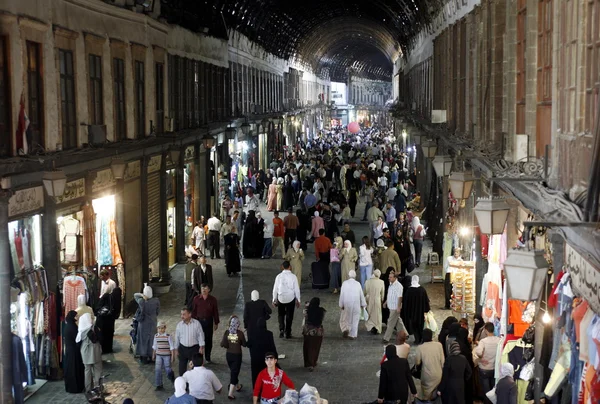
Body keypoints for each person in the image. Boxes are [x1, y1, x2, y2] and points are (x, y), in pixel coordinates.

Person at [190, 284, 220, 363]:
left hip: (208, 321)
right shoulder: (196, 299)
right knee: (198, 339)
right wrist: (192, 321)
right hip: (198, 322)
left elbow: (215, 312)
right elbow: (194, 311)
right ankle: (199, 358)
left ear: (209, 290)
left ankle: (208, 356)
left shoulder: (213, 300)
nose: (204, 290)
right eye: (202, 288)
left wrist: (216, 322)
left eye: (206, 288)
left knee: (208, 339)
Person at [272, 260, 301, 338]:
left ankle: (281, 329)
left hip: (281, 299)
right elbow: (296, 289)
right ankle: (288, 332)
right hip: (290, 298)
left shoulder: (278, 276)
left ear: (282, 267)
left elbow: (275, 289)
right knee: (289, 316)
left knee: (281, 315)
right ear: (290, 267)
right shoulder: (293, 277)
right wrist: (298, 300)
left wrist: (274, 299)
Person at [220, 315, 246, 399]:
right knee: (234, 373)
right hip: (237, 356)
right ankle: (230, 393)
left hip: (229, 356)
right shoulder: (240, 333)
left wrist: (230, 341)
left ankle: (237, 386)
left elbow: (223, 344)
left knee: (234, 371)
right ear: (238, 324)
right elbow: (244, 344)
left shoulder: (227, 332)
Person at [247, 318, 278, 389]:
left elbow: (248, 344)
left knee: (256, 376)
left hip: (255, 359)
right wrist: (275, 357)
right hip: (266, 359)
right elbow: (272, 346)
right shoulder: (269, 334)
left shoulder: (252, 333)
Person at [474, 322, 502, 400]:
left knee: (486, 390)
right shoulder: (499, 340)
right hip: (495, 368)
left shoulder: (483, 341)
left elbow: (479, 352)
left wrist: (481, 358)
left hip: (484, 368)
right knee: (493, 388)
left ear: (486, 330)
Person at [415, 329, 445, 401]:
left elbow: (417, 363)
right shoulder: (439, 345)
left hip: (426, 376)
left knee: (426, 396)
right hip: (438, 375)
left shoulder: (420, 348)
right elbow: (443, 361)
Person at [175, 307, 205, 377]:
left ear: (189, 314)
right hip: (182, 349)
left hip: (194, 349)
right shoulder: (179, 325)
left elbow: (200, 335)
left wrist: (201, 347)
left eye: (184, 314)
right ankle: (183, 385)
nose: (182, 316)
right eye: (181, 314)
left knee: (195, 369)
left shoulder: (197, 324)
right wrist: (176, 349)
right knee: (181, 370)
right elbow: (177, 338)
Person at [77, 313, 103, 394]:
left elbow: (78, 342)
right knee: (98, 370)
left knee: (87, 371)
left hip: (85, 352)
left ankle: (88, 389)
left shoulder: (81, 330)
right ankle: (99, 388)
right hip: (95, 351)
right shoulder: (94, 328)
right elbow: (101, 338)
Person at [134, 284, 161, 364]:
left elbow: (135, 295)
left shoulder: (142, 301)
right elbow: (157, 312)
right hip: (153, 322)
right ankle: (152, 355)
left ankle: (143, 357)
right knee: (152, 339)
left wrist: (142, 295)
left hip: (143, 323)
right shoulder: (156, 301)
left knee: (143, 339)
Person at [401, 275, 430, 344]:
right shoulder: (422, 290)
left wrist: (406, 312)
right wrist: (426, 310)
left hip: (412, 313)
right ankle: (421, 338)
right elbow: (426, 301)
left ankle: (417, 339)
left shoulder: (409, 290)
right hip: (420, 312)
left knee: (414, 326)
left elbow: (405, 303)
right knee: (420, 325)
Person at [339, 270, 367, 339]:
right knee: (355, 319)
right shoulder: (358, 284)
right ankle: (353, 334)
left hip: (347, 304)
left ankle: (346, 329)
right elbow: (361, 295)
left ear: (348, 275)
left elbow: (342, 295)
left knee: (346, 318)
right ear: (355, 276)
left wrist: (341, 304)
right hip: (356, 304)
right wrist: (363, 304)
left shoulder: (344, 283)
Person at [97, 270, 120, 354]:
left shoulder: (112, 283)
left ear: (106, 275)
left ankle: (108, 347)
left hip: (108, 307)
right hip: (103, 305)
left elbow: (113, 297)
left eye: (101, 276)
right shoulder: (103, 282)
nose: (100, 278)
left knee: (109, 329)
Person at [63, 310, 85, 393]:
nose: (77, 318)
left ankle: (72, 387)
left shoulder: (68, 326)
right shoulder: (72, 327)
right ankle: (75, 387)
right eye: (76, 316)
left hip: (70, 351)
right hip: (73, 352)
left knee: (71, 369)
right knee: (74, 369)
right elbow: (77, 339)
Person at [383, 271, 406, 343]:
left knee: (390, 322)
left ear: (395, 278)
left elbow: (400, 297)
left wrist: (398, 307)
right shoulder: (391, 284)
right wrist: (386, 302)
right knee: (398, 321)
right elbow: (390, 295)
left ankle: (386, 338)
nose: (389, 278)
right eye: (389, 277)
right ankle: (405, 333)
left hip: (395, 307)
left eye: (390, 277)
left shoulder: (399, 286)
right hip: (391, 306)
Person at [303, 297, 326, 371]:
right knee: (315, 348)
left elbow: (305, 318)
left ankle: (307, 363)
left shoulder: (307, 311)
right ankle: (313, 363)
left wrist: (307, 306)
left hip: (308, 332)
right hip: (318, 332)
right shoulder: (322, 311)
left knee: (307, 348)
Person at [152, 320, 175, 391]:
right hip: (158, 355)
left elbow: (171, 347)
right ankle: (159, 384)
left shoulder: (168, 336)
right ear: (157, 329)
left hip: (167, 355)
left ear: (165, 328)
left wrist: (173, 356)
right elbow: (155, 346)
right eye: (159, 328)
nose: (160, 330)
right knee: (157, 369)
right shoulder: (156, 336)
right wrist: (153, 354)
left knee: (167, 368)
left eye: (162, 328)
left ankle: (172, 377)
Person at [364, 269, 385, 335]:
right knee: (377, 315)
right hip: (377, 300)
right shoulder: (381, 282)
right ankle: (377, 327)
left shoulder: (367, 281)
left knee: (370, 314)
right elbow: (382, 293)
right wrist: (382, 300)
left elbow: (364, 292)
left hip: (369, 299)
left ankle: (371, 326)